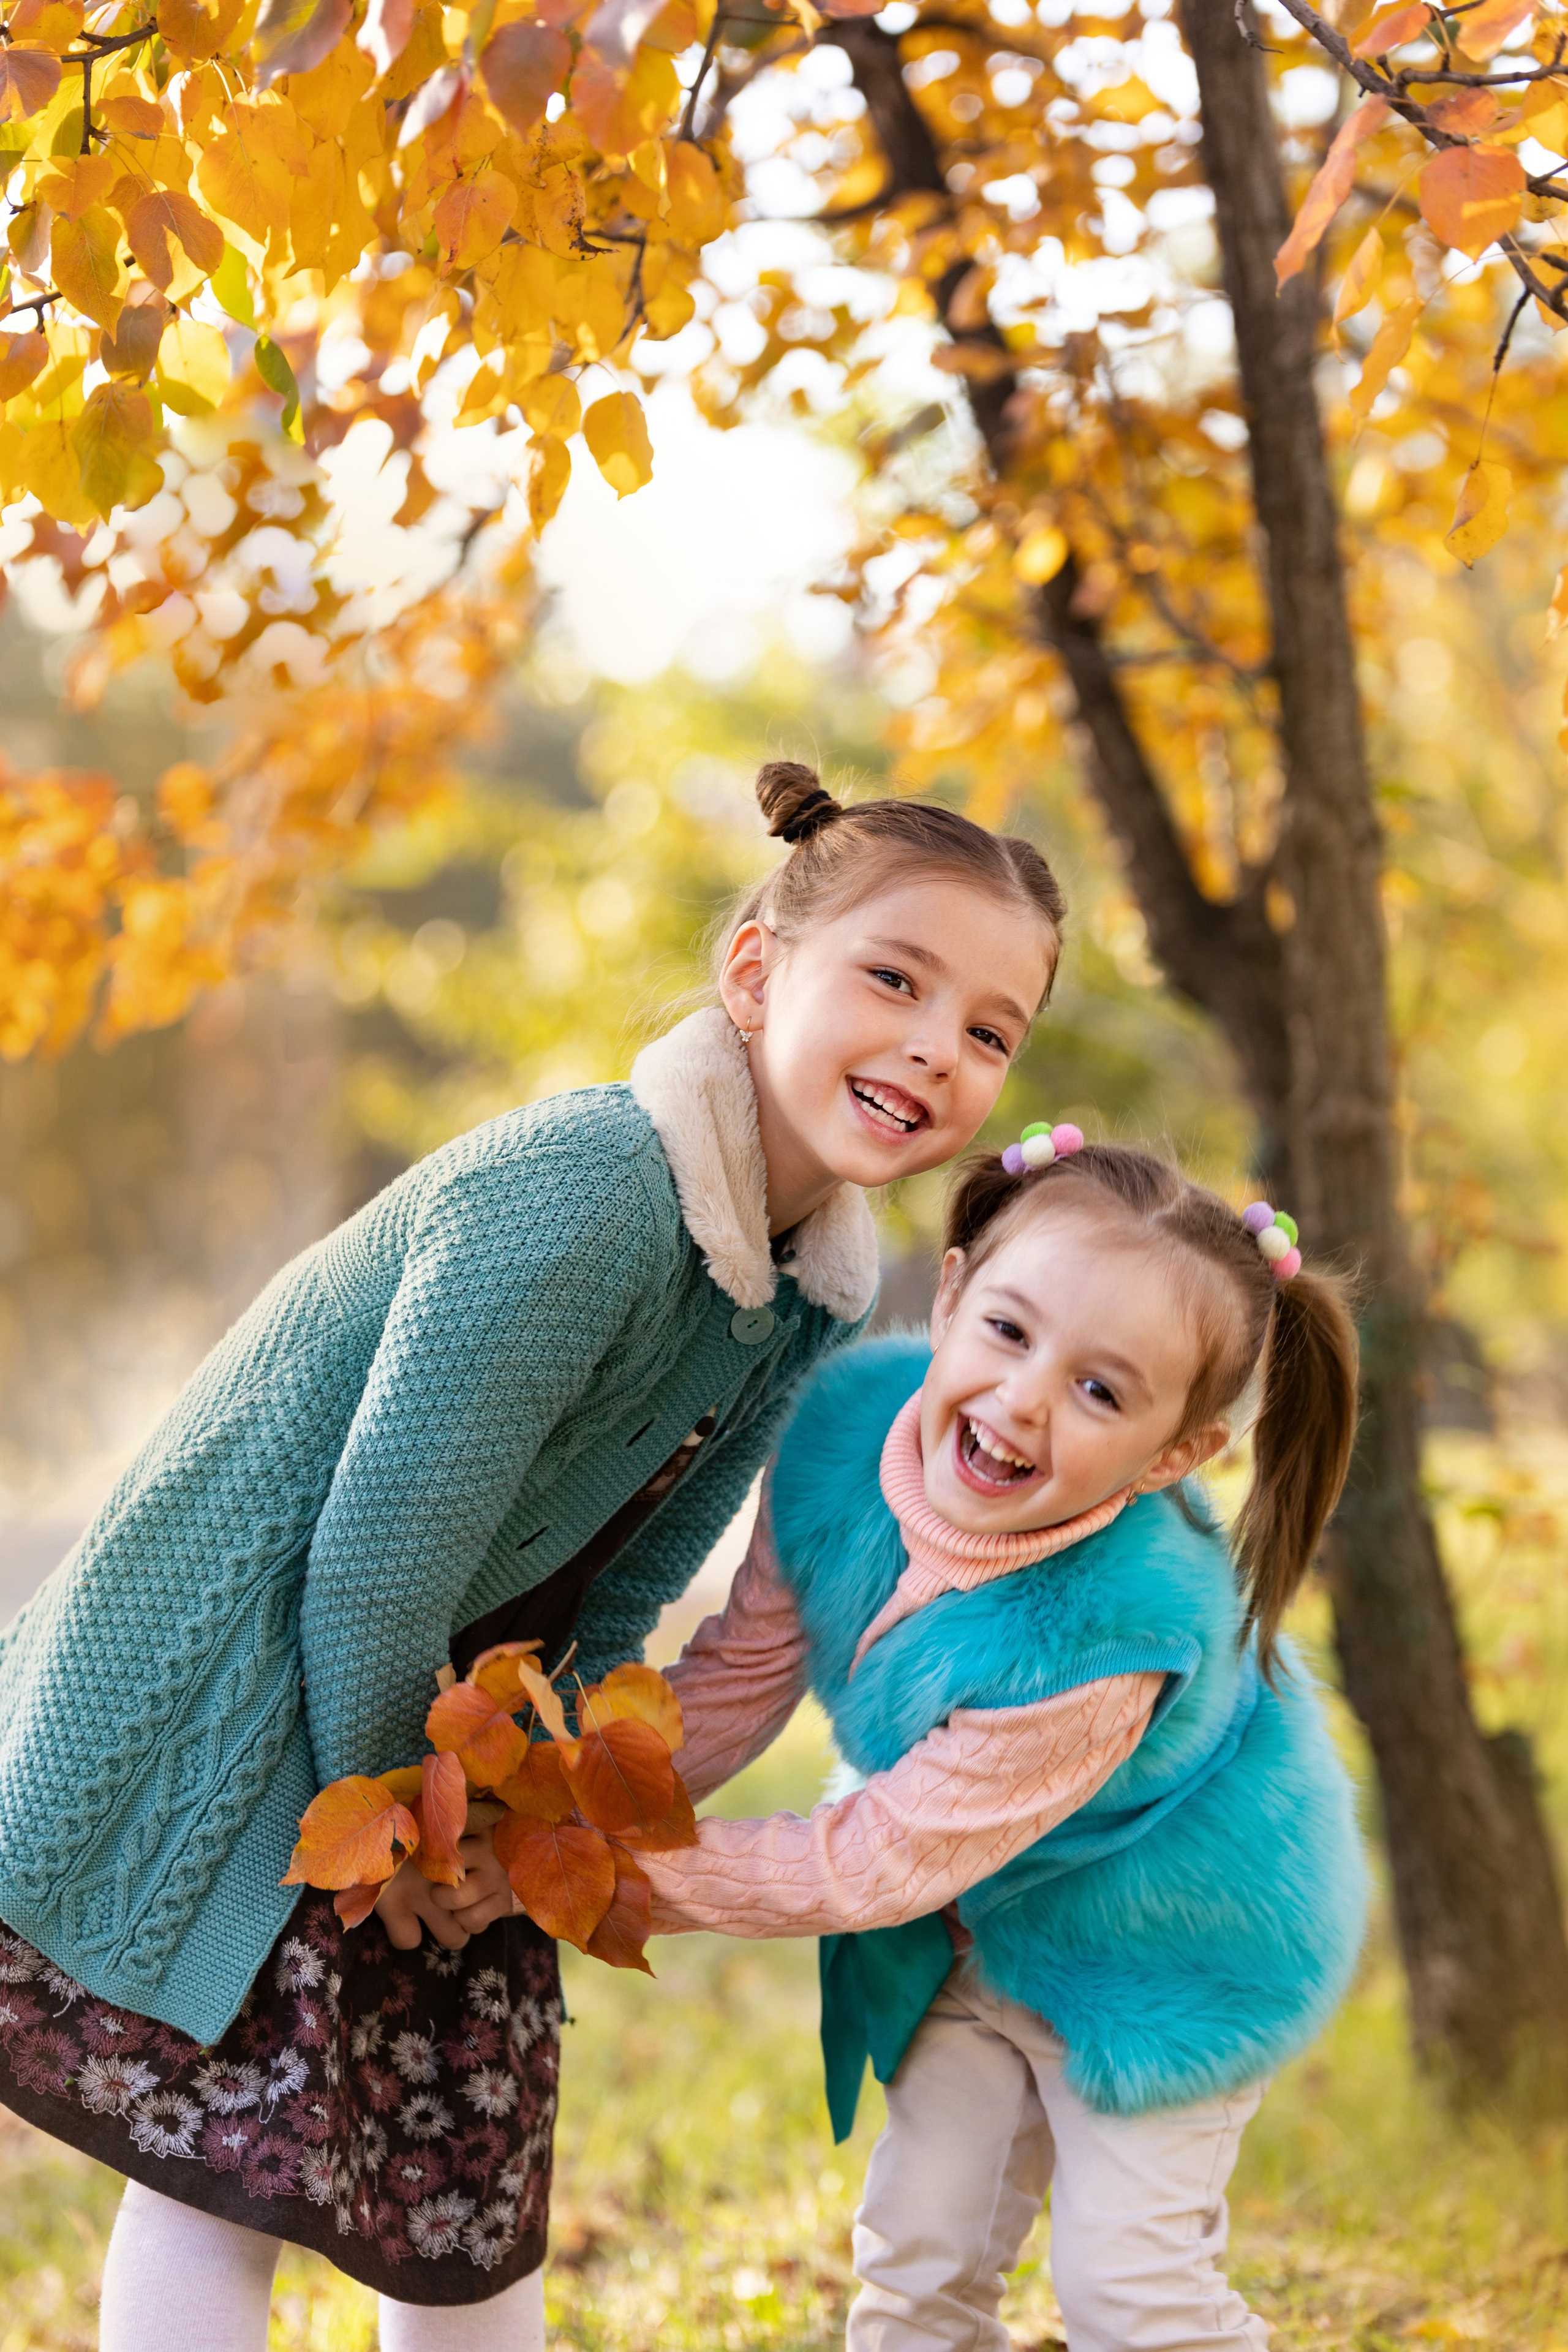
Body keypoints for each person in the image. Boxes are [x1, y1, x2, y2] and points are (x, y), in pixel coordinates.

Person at [0, 762, 1066, 2352]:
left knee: (467, 2201)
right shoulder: (589, 1193)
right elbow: (370, 1563)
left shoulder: (802, 1292)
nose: (935, 1045)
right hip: (264, 1714)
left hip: (447, 1744)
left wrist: (524, 1816)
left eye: (989, 1029)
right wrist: (413, 1841)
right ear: (758, 972)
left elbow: (629, 1588)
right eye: (895, 980)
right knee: (223, 2178)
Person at [639, 1136, 1368, 2352]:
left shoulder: (1108, 1636)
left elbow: (866, 1864)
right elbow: (741, 1674)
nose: (1023, 1399)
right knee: (919, 2249)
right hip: (975, 1911)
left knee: (1125, 2290)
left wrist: (605, 1884)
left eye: (1100, 1391)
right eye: (1008, 1331)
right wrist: (564, 1819)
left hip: (1173, 1950)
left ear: (1175, 1455)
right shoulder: (840, 1445)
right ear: (953, 1291)